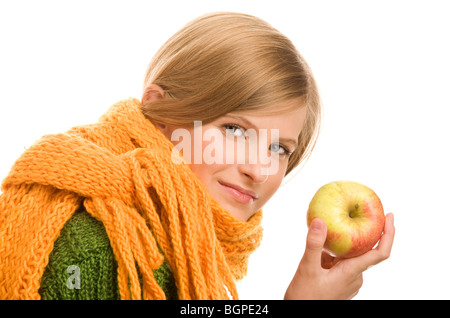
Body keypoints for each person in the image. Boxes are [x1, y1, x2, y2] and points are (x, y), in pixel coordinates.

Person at [0, 12, 394, 300]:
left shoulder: (190, 241)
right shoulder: (99, 248)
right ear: (160, 115)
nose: (258, 169)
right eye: (234, 129)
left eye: (278, 148)